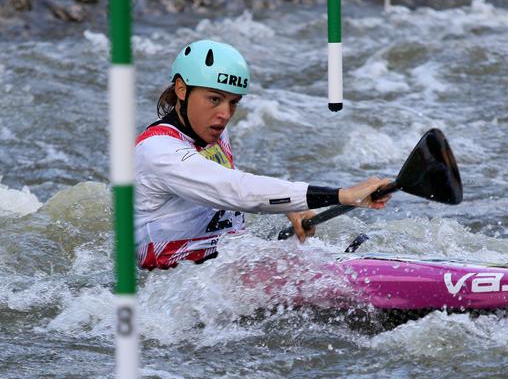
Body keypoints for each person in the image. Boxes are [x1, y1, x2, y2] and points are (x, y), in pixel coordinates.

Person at [135, 39, 391, 270]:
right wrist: (343, 195)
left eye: (233, 102)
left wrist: (289, 205)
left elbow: (228, 185)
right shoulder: (158, 152)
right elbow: (236, 190)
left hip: (223, 260)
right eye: (214, 99)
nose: (225, 113)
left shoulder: (210, 130)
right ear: (181, 89)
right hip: (173, 285)